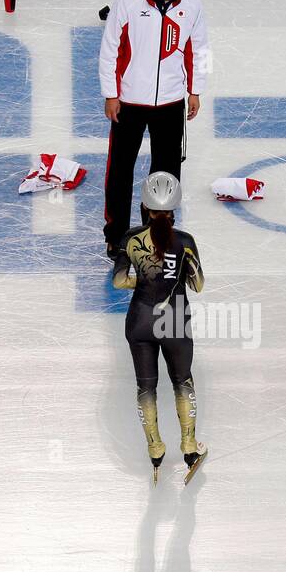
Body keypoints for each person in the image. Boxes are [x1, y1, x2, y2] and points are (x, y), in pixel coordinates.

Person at [98, 0, 209, 256]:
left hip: (172, 103)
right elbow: (110, 51)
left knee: (167, 171)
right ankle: (116, 235)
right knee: (120, 170)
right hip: (129, 103)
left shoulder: (192, 5)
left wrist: (195, 90)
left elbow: (198, 50)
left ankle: (157, 231)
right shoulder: (129, 2)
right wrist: (111, 94)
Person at [111, 172, 206, 478]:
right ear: (175, 207)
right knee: (182, 381)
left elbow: (119, 280)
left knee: (146, 387)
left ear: (145, 206)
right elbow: (199, 284)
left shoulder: (130, 239)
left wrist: (146, 278)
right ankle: (189, 446)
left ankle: (155, 449)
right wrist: (173, 274)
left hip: (139, 320)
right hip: (173, 318)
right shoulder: (185, 241)